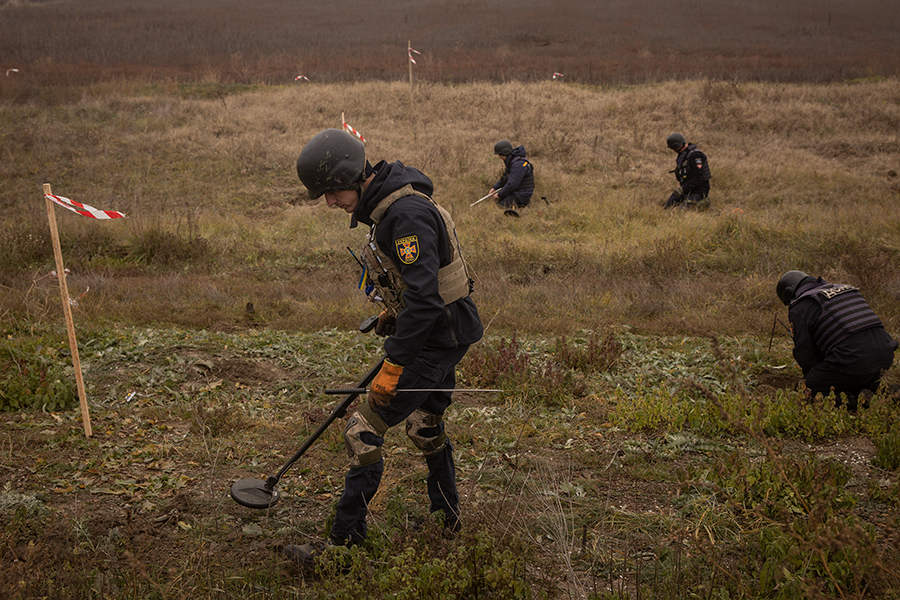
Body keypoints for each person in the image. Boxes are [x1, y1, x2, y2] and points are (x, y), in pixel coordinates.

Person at [286, 128, 484, 568]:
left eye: (331, 192)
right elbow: (422, 289)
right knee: (424, 426)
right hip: (444, 331)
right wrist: (394, 315)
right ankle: (447, 523)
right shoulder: (391, 204)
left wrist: (394, 363)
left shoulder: (404, 216)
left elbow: (427, 300)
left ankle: (343, 549)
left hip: (437, 338)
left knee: (362, 431)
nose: (330, 202)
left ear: (353, 178)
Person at [776, 270, 898, 410]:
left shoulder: (800, 306)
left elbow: (805, 354)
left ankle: (857, 403)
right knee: (856, 378)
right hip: (885, 355)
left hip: (851, 360)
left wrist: (813, 379)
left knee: (805, 389)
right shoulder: (846, 289)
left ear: (788, 293)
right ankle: (888, 392)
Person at [663, 132, 711, 210]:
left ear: (677, 146)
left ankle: (702, 202)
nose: (673, 150)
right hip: (687, 190)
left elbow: (700, 177)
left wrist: (683, 188)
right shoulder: (684, 155)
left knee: (682, 211)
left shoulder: (696, 156)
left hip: (698, 191)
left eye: (673, 148)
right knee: (667, 206)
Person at [488, 139, 534, 215]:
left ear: (502, 154)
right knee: (500, 202)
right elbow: (505, 179)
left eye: (499, 154)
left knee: (501, 207)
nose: (499, 157)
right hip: (516, 191)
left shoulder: (518, 165)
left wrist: (499, 195)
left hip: (522, 194)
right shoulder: (512, 161)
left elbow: (512, 184)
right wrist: (494, 188)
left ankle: (523, 204)